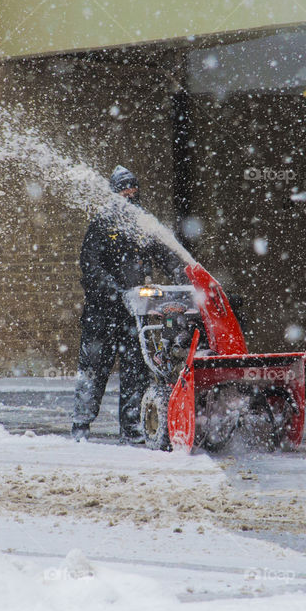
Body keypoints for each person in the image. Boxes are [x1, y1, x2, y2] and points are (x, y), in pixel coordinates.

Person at [71, 166, 186, 442]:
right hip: (102, 314)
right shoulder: (102, 224)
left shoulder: (144, 225)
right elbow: (91, 265)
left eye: (133, 187)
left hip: (135, 316)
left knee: (136, 370)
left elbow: (165, 254)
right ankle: (81, 426)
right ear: (114, 192)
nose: (130, 192)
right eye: (124, 188)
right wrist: (115, 291)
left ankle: (132, 429)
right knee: (94, 369)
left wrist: (182, 273)